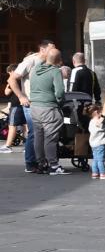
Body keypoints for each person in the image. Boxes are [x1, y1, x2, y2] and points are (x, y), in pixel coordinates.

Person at [6, 39, 58, 171]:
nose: (53, 51)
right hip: (30, 103)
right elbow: (12, 79)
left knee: (43, 132)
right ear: (42, 49)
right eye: (51, 48)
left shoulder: (49, 61)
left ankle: (42, 161)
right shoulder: (30, 61)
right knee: (34, 132)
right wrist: (21, 96)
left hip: (44, 103)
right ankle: (30, 163)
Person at [27, 47, 68, 175]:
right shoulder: (55, 71)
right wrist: (60, 102)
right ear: (59, 60)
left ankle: (41, 163)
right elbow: (60, 92)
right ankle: (54, 165)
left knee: (38, 137)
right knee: (50, 137)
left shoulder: (35, 69)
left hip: (34, 107)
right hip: (48, 108)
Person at [3, 64, 26, 153]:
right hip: (25, 103)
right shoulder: (24, 78)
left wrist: (9, 82)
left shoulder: (13, 79)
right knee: (26, 125)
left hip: (16, 104)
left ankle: (8, 145)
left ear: (12, 71)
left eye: (9, 73)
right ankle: (26, 145)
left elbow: (7, 92)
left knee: (12, 125)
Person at [87, 103, 105, 179]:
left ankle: (95, 173)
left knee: (95, 159)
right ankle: (102, 173)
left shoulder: (91, 121)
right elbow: (104, 129)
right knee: (100, 160)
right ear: (96, 112)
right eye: (101, 112)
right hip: (100, 143)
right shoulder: (98, 122)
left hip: (93, 144)